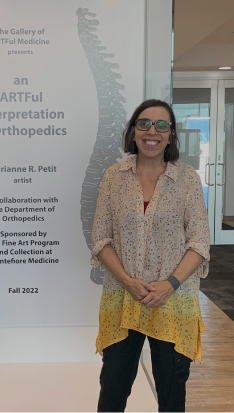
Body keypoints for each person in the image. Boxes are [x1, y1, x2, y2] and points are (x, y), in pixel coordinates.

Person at [91, 99, 210, 412]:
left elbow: (199, 243)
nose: (152, 131)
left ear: (171, 135)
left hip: (174, 301)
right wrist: (128, 281)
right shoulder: (113, 177)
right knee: (113, 390)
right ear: (133, 131)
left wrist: (169, 284)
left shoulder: (188, 180)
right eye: (144, 123)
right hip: (122, 297)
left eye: (162, 125)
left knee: (172, 396)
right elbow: (101, 239)